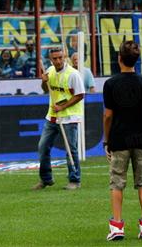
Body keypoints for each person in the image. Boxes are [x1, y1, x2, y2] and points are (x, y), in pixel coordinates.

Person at [103, 40, 142, 241]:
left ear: (119, 59)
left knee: (117, 183)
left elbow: (108, 115)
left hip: (119, 138)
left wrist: (106, 139)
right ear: (137, 60)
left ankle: (117, 226)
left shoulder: (110, 84)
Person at [32, 48, 84, 190]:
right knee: (42, 147)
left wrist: (63, 107)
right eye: (55, 58)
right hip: (52, 116)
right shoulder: (50, 70)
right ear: (51, 60)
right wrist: (44, 81)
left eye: (60, 57)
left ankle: (74, 179)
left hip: (69, 116)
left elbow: (80, 95)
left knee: (71, 149)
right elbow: (45, 89)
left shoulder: (73, 74)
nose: (58, 61)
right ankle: (46, 179)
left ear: (64, 57)